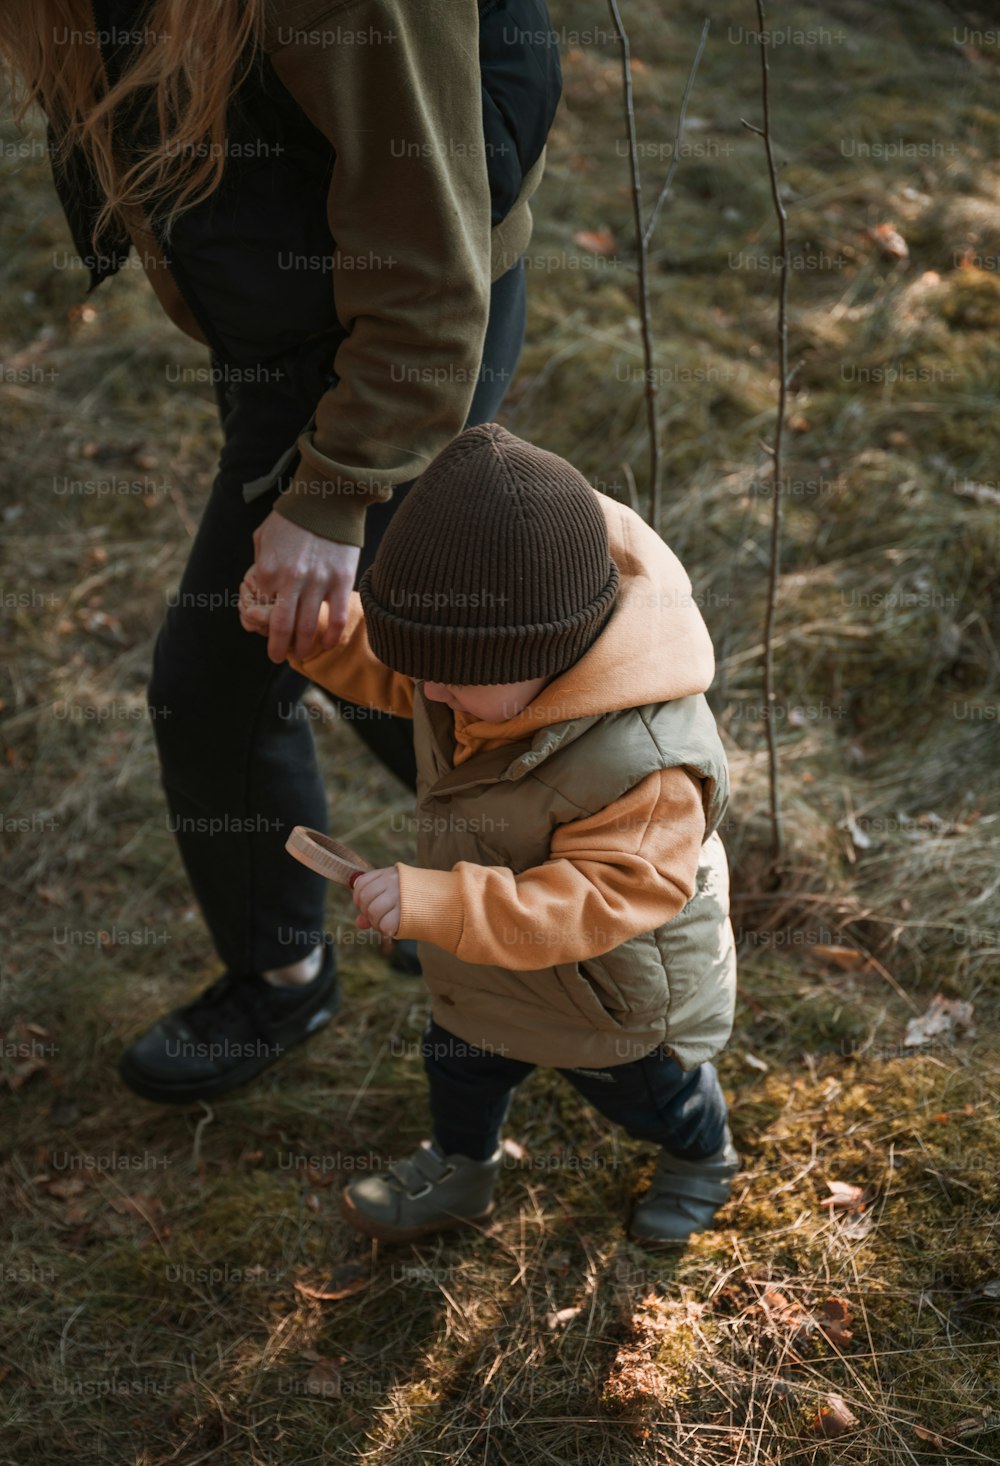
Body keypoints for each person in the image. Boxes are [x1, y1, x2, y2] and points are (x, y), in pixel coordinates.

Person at [1, 0, 562, 1102]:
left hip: (391, 340)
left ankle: (573, 908)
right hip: (285, 318)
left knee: (218, 683)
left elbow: (429, 270)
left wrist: (336, 491)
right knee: (365, 653)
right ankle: (516, 891)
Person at [240, 423, 740, 1248]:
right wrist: (320, 634)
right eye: (425, 667)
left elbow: (605, 898)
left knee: (651, 1096)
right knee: (461, 1063)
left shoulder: (648, 764)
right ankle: (463, 1164)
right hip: (483, 958)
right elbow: (402, 665)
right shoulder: (478, 668)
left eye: (455, 679)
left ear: (552, 654)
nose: (430, 692)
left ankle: (703, 1157)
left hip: (609, 991)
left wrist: (441, 901)